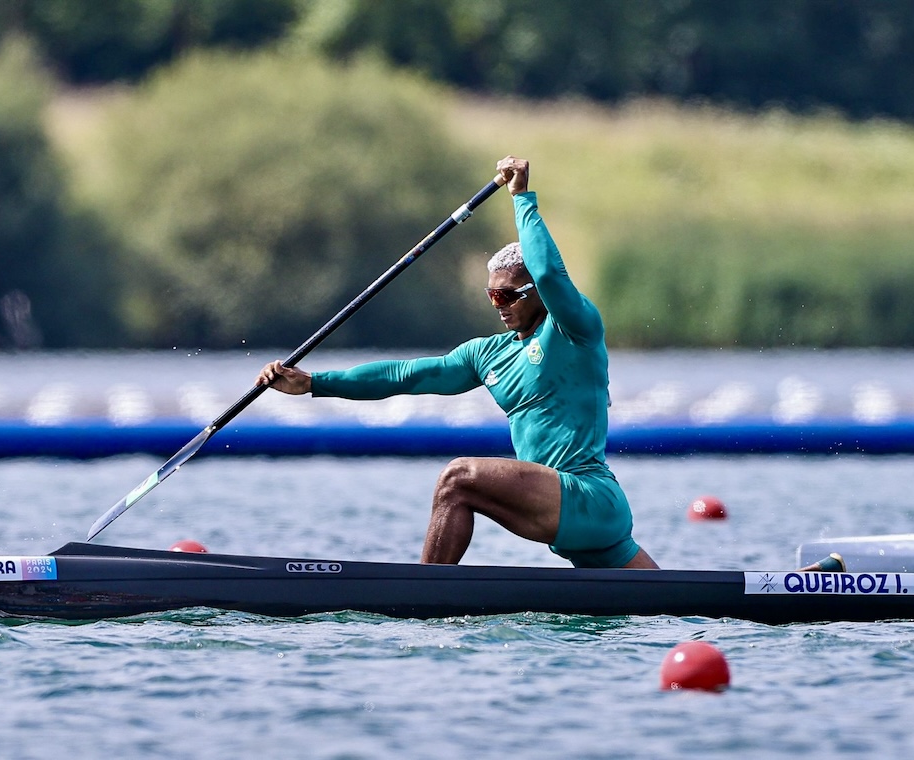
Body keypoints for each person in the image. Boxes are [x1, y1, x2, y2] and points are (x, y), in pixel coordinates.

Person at [256, 156, 659, 570]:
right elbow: (405, 376)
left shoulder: (574, 329)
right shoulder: (487, 354)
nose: (498, 305)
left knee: (457, 479)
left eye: (508, 296)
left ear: (536, 293)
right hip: (575, 523)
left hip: (587, 496)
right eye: (491, 296)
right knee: (670, 606)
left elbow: (551, 274)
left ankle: (423, 593)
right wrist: (314, 383)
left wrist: (521, 198)